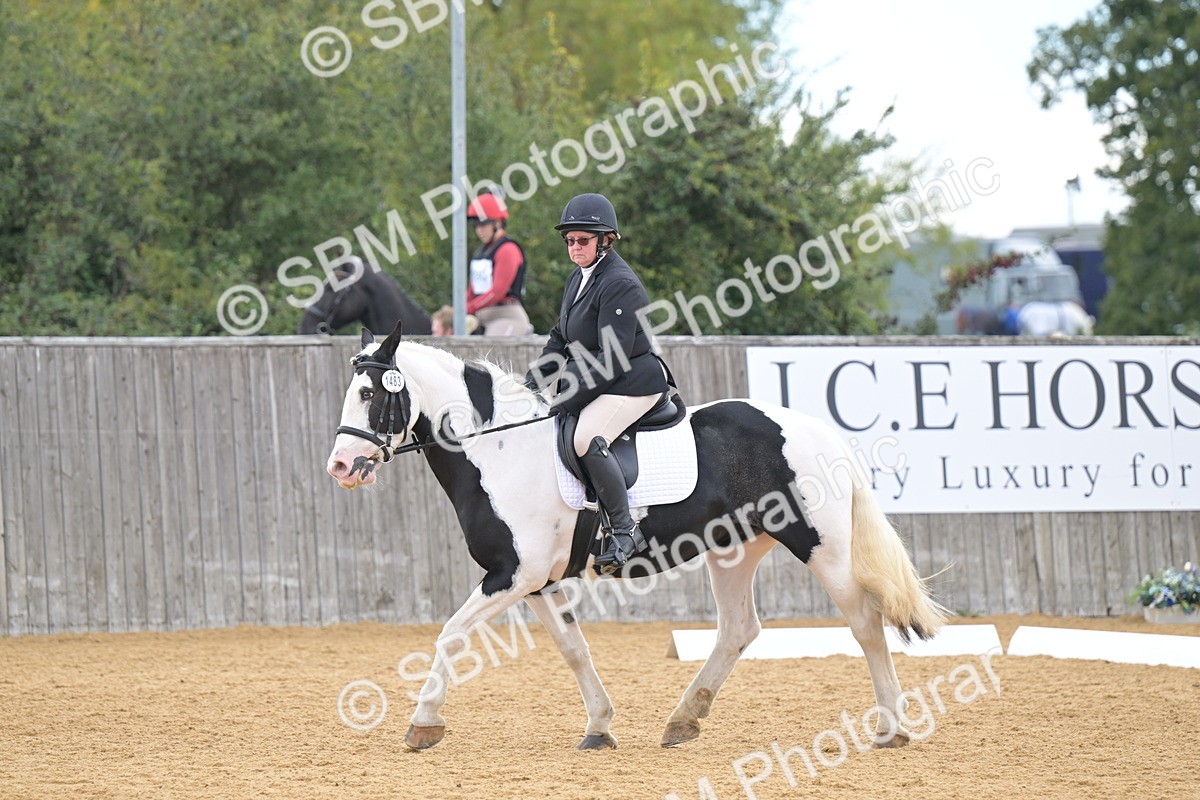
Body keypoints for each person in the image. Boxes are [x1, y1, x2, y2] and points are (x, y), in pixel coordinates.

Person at [524, 193, 670, 574]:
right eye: (569, 240)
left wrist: (567, 399)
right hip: (606, 380)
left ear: (606, 240)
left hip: (632, 382)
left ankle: (624, 530)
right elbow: (560, 337)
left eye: (583, 240)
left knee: (586, 437)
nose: (575, 247)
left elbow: (612, 359)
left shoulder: (620, 283)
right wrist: (531, 384)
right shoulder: (578, 278)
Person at [466, 194, 532, 336]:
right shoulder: (481, 252)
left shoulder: (508, 249)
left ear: (497, 223)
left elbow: (497, 292)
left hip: (506, 315)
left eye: (483, 225)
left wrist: (468, 308)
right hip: (481, 315)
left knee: (492, 347)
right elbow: (473, 289)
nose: (479, 230)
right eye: (476, 226)